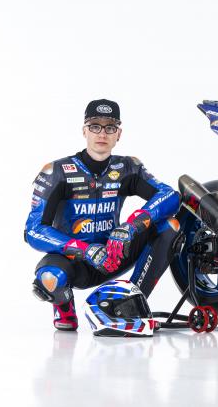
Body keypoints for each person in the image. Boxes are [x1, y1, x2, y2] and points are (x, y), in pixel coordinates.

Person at [25, 99, 181, 331]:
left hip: (115, 253)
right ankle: (65, 309)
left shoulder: (129, 167)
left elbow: (170, 195)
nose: (102, 133)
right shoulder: (56, 172)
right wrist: (85, 249)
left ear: (119, 134)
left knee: (171, 226)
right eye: (95, 126)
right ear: (84, 131)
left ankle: (131, 303)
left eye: (110, 127)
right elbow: (33, 231)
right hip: (75, 261)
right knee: (49, 277)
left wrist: (132, 225)